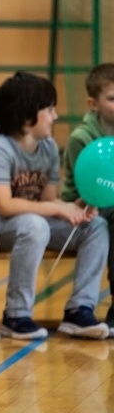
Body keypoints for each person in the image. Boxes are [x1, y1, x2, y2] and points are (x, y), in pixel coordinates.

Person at [0, 71, 109, 340]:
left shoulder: (48, 148)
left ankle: (80, 310)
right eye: (50, 109)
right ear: (26, 116)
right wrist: (59, 209)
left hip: (31, 223)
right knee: (34, 225)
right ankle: (16, 315)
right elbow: (5, 205)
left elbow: (47, 201)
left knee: (96, 226)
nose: (56, 116)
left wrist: (80, 205)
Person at [61, 63, 114, 336]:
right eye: (112, 98)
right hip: (82, 210)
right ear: (93, 103)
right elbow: (91, 191)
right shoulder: (82, 138)